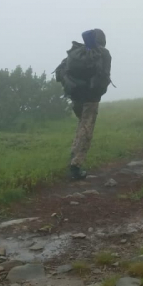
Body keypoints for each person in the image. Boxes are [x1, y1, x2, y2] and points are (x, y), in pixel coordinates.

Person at [55, 29, 112, 180]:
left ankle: (73, 157)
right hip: (91, 98)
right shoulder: (103, 53)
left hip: (75, 96)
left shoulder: (77, 52)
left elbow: (60, 71)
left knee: (82, 126)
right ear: (103, 40)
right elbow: (105, 76)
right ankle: (76, 166)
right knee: (86, 130)